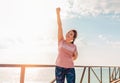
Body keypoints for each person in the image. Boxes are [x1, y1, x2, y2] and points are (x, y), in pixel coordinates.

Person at [55, 7, 78, 83]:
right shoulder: (61, 40)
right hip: (59, 67)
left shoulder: (74, 46)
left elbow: (75, 58)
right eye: (68, 32)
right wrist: (58, 14)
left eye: (71, 34)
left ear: (73, 38)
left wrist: (75, 55)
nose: (68, 34)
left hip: (70, 69)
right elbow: (60, 26)